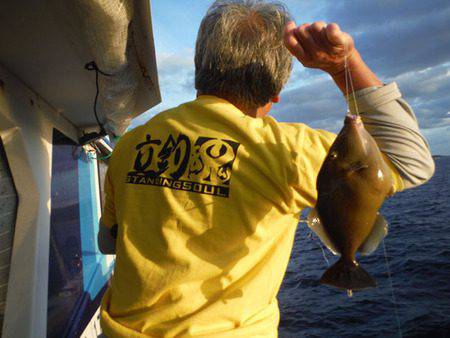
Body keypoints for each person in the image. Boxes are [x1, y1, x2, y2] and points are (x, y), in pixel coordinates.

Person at [98, 1, 434, 337]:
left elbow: (108, 242)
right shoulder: (286, 150)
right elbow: (411, 163)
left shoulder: (130, 143)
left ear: (200, 65)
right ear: (276, 90)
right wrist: (343, 66)